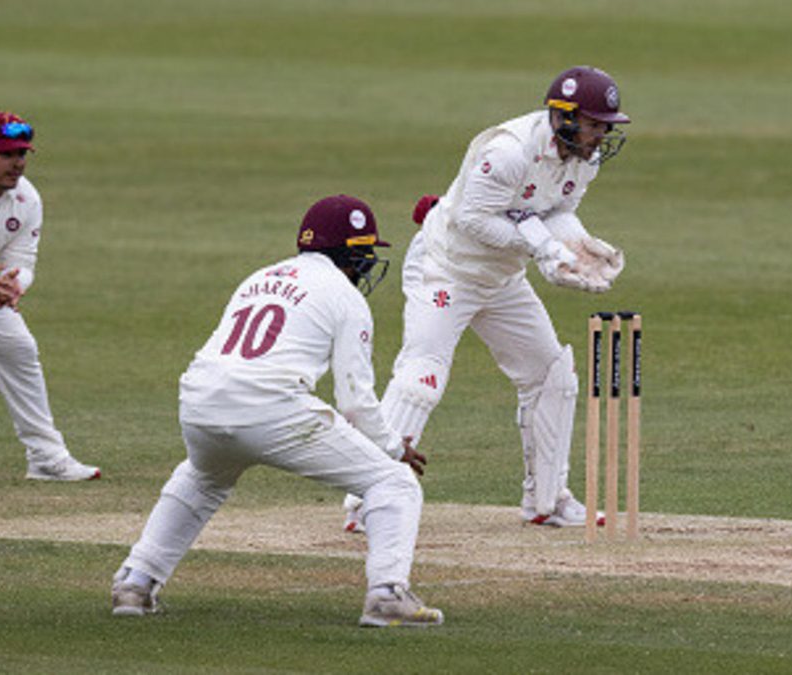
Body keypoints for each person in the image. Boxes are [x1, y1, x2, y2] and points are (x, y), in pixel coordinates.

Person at [111, 195, 443, 627]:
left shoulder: (260, 276)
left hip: (200, 399)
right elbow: (355, 400)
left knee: (203, 476)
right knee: (393, 483)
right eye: (364, 253)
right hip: (269, 406)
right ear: (350, 254)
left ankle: (135, 582)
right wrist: (393, 448)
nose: (366, 265)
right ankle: (386, 594)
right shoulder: (345, 297)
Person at [342, 66, 630, 532]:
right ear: (564, 116)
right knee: (422, 379)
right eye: (595, 124)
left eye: (606, 126)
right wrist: (542, 248)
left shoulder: (584, 159)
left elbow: (557, 213)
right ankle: (366, 500)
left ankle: (546, 500)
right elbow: (472, 220)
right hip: (445, 270)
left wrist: (577, 248)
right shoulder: (509, 152)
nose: (601, 135)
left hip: (500, 278)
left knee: (552, 375)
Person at [0, 111, 99, 481]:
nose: (17, 163)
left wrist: (11, 287)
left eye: (22, 154)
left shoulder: (25, 199)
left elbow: (22, 260)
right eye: (5, 154)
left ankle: (46, 457)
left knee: (18, 346)